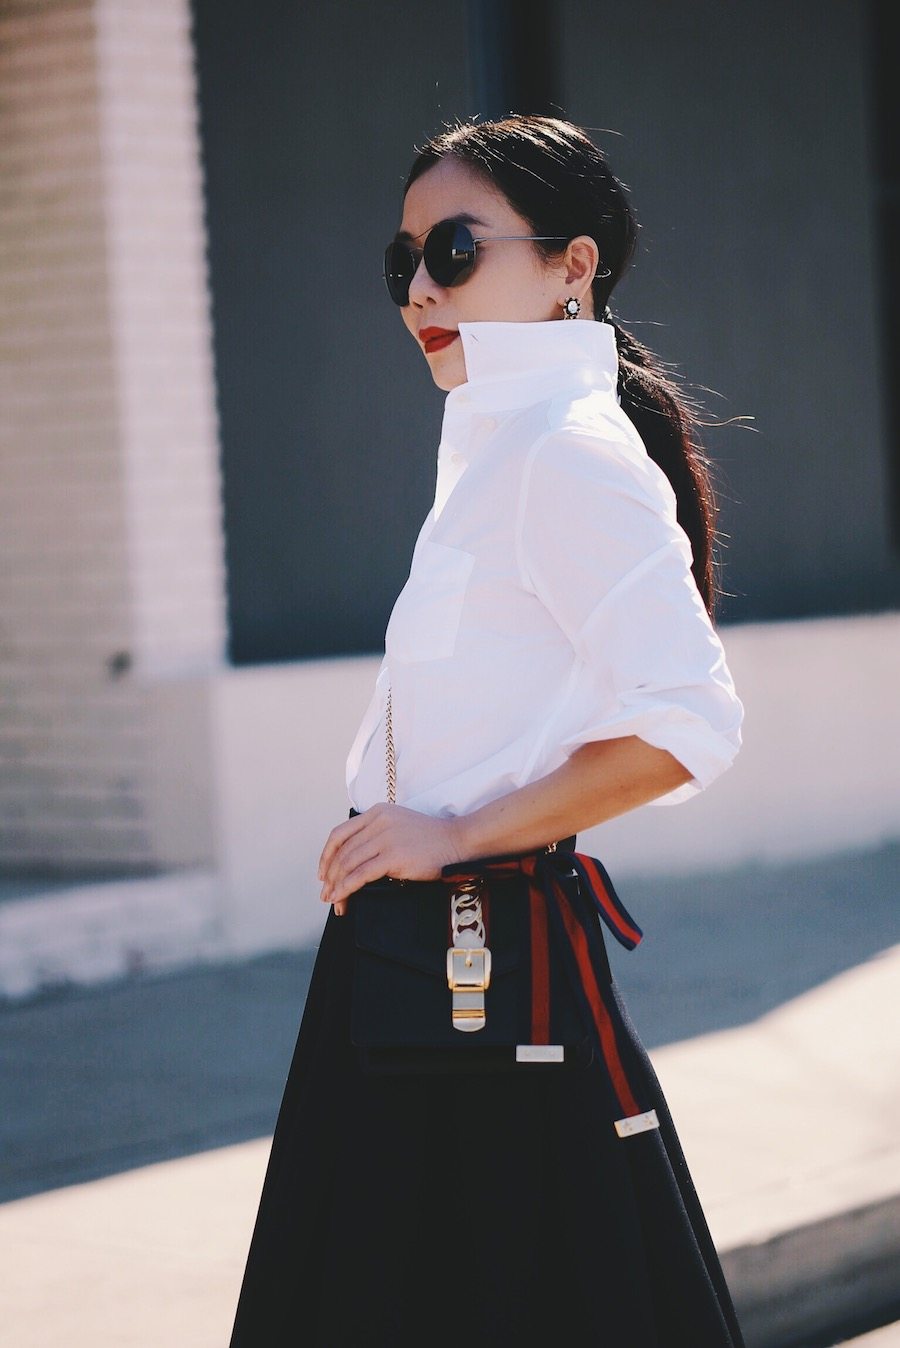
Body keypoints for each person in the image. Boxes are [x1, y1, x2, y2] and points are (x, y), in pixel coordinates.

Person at [229, 114, 746, 1347]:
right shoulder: (498, 447)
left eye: (453, 249)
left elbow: (689, 721)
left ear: (573, 266)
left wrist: (451, 830)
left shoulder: (565, 454)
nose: (418, 288)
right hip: (419, 961)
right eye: (402, 260)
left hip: (480, 967)